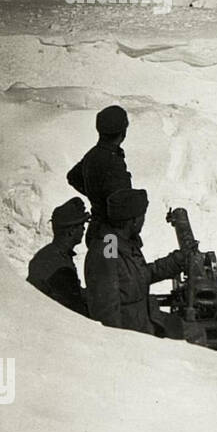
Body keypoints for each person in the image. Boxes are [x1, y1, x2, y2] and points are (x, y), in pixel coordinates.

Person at [86, 187, 190, 337]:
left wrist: (176, 261)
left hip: (144, 321)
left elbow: (138, 277)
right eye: (142, 216)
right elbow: (107, 314)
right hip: (134, 335)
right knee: (197, 336)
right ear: (133, 221)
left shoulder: (120, 242)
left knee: (196, 330)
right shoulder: (107, 250)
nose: (143, 221)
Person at [67, 104, 134, 316]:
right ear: (123, 132)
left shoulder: (93, 155)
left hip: (98, 230)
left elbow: (73, 177)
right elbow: (120, 205)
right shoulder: (113, 162)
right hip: (112, 235)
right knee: (113, 278)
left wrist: (95, 197)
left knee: (107, 278)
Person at [27, 197, 91, 316]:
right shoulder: (59, 265)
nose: (83, 229)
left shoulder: (49, 254)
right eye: (81, 225)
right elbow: (74, 310)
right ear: (71, 231)